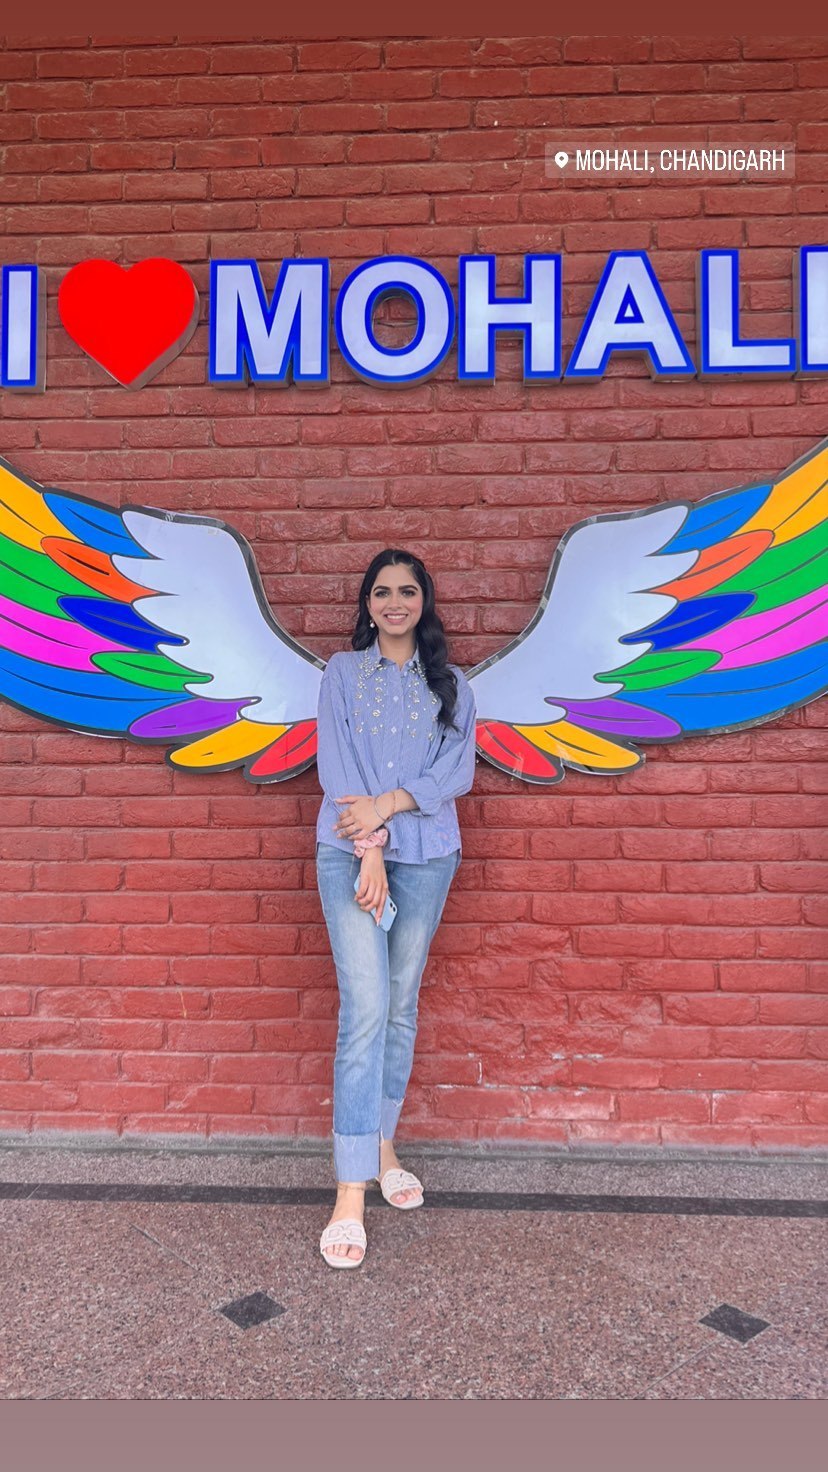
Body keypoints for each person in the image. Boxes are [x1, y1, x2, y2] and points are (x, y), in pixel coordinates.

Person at [314, 549, 477, 1268]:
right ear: (367, 603)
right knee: (366, 1009)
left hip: (430, 854)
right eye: (381, 591)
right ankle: (350, 1191)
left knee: (402, 1005)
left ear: (424, 601)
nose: (394, 602)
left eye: (407, 591)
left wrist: (389, 808)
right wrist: (371, 845)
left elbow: (455, 771)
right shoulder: (342, 674)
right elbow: (337, 765)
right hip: (349, 853)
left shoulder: (452, 684)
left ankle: (383, 1146)